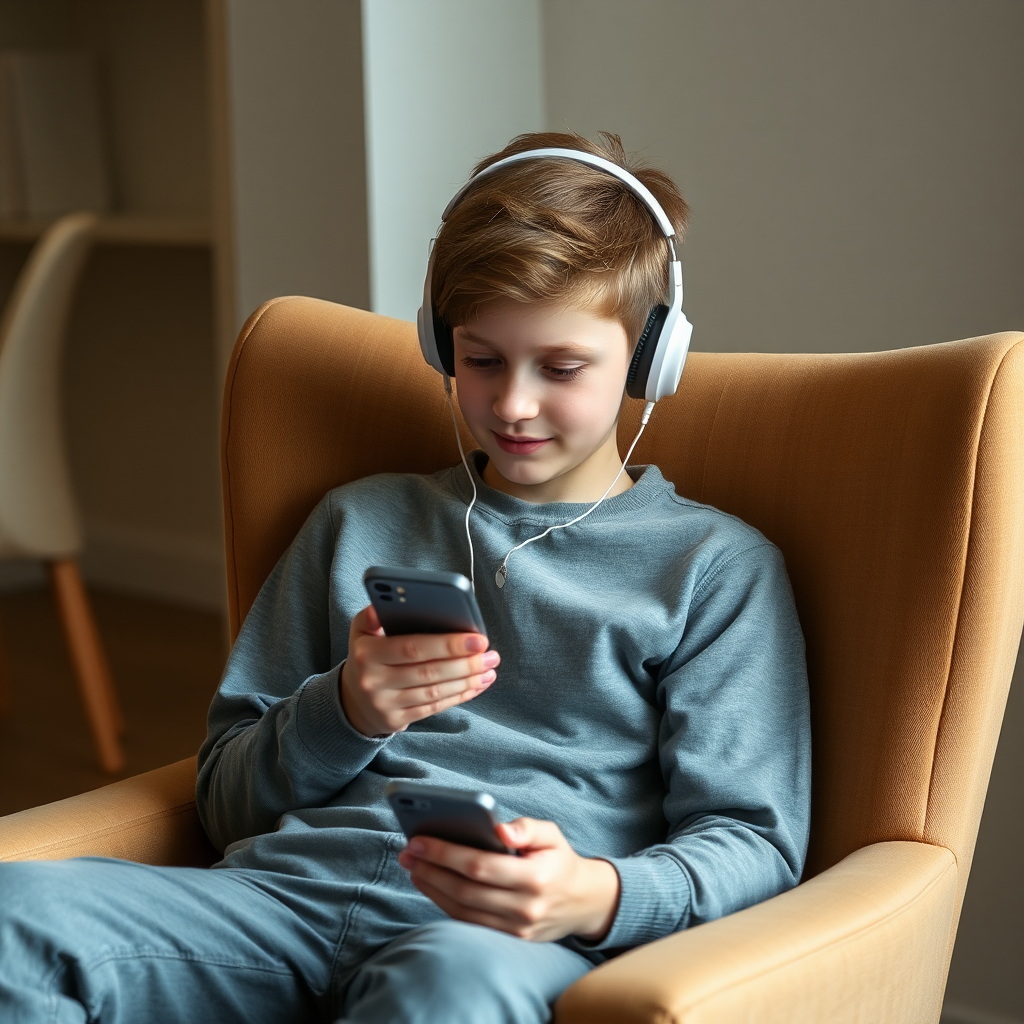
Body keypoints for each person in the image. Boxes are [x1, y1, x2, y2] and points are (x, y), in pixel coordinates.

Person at [0, 131, 810, 1024]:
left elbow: (753, 842)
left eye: (563, 368)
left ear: (652, 358)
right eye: (482, 359)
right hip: (280, 908)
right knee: (15, 919)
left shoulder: (714, 570)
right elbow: (225, 800)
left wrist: (596, 894)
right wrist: (345, 707)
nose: (512, 404)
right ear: (439, 344)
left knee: (446, 995)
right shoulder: (359, 522)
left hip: (486, 943)